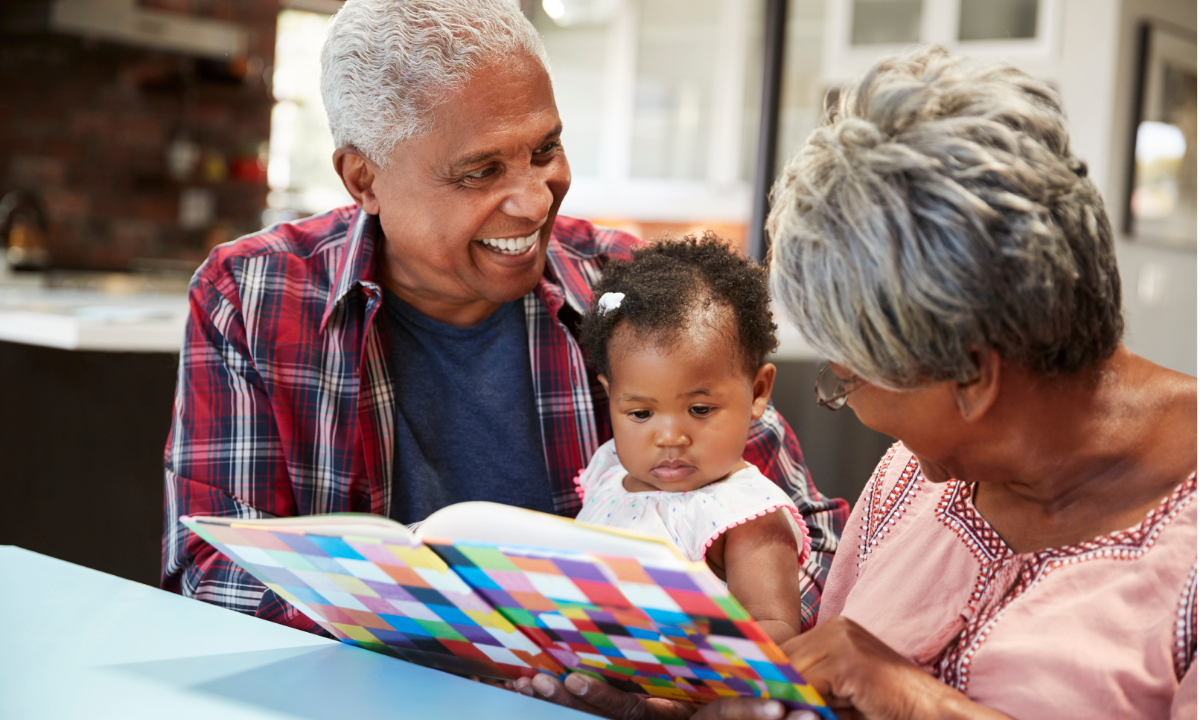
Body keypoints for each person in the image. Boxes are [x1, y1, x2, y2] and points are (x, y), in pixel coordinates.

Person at [512, 46, 1196, 720]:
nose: (841, 399)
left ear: (972, 375)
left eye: (846, 379)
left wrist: (917, 701)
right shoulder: (908, 482)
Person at [161, 0, 847, 636]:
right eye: (479, 172)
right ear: (364, 180)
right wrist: (458, 635)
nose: (531, 200)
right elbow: (214, 574)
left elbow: (815, 544)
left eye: (544, 150)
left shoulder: (636, 292)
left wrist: (736, 632)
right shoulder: (251, 296)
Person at [574, 236, 812, 645]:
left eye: (700, 410)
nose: (670, 437)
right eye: (641, 414)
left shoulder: (745, 514)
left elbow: (776, 631)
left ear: (757, 392)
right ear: (609, 396)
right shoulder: (609, 473)